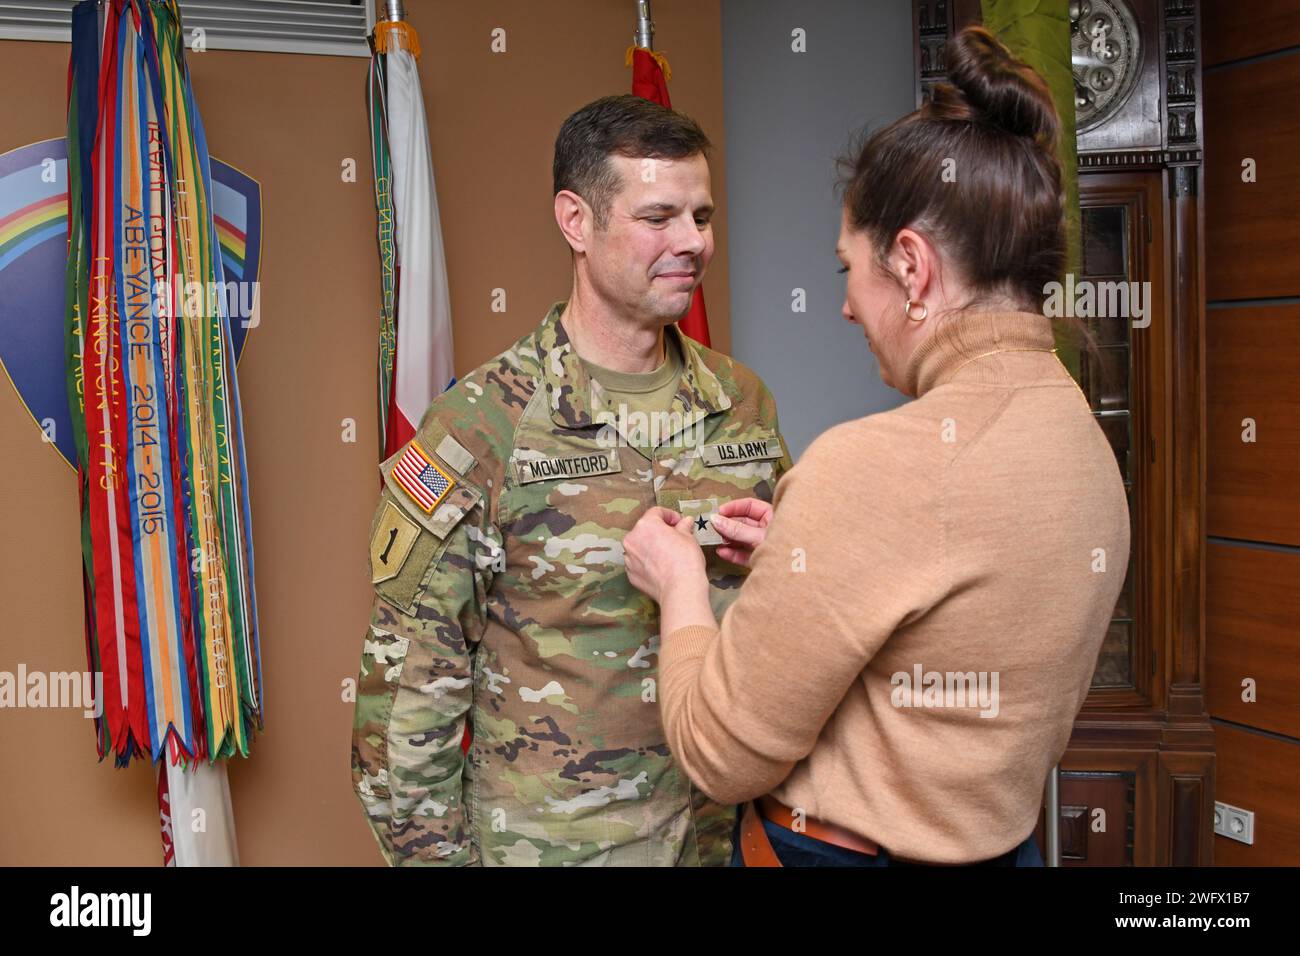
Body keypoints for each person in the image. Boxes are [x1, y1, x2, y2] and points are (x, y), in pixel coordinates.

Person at [623, 26, 1131, 867]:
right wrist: (804, 562)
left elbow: (720, 752)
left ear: (912, 266)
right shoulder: (1084, 439)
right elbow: (948, 620)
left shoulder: (875, 465)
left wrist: (679, 587)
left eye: (846, 271)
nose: (849, 308)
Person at [350, 94, 791, 866]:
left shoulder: (741, 405)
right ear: (576, 221)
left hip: (714, 843)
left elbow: (787, 621)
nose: (693, 243)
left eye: (702, 216)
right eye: (659, 217)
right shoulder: (480, 425)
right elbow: (408, 695)